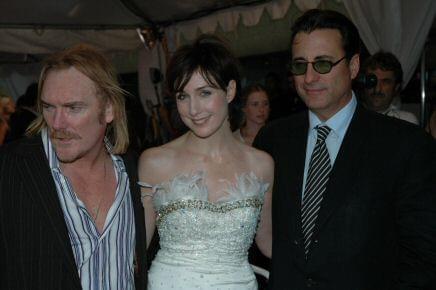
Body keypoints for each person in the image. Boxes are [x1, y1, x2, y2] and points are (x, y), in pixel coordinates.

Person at [254, 9, 436, 289]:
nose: (310, 77)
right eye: (300, 65)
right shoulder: (272, 140)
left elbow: (422, 256)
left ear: (353, 67)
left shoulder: (405, 146)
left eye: (323, 64)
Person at [0, 44, 147, 290]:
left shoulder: (136, 173)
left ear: (109, 108)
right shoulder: (9, 169)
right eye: (48, 107)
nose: (57, 123)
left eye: (73, 108)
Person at [138, 35, 274, 290]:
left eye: (205, 93)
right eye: (182, 96)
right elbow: (134, 249)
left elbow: (267, 243)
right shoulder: (155, 162)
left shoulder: (262, 165)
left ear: (230, 91)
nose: (193, 109)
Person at [362, 51, 419, 124]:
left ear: (396, 87)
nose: (377, 89)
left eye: (385, 82)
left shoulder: (406, 121)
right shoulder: (350, 119)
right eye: (372, 80)